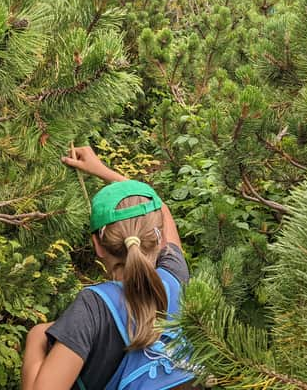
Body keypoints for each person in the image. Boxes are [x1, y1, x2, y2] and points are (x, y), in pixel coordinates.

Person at [21, 147, 194, 390]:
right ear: (156, 236)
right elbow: (161, 209)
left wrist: (36, 337)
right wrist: (103, 170)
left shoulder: (92, 308)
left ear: (97, 245)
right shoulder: (174, 277)